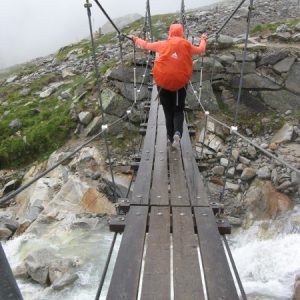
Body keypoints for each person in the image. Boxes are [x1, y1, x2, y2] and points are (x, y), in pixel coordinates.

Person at [132, 24, 208, 149]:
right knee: (178, 111)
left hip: (163, 85)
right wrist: (203, 39)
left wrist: (135, 39)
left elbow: (145, 45)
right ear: (181, 33)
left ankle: (170, 137)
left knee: (168, 112)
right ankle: (178, 133)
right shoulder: (187, 45)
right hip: (179, 85)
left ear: (170, 33)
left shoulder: (162, 44)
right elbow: (201, 50)